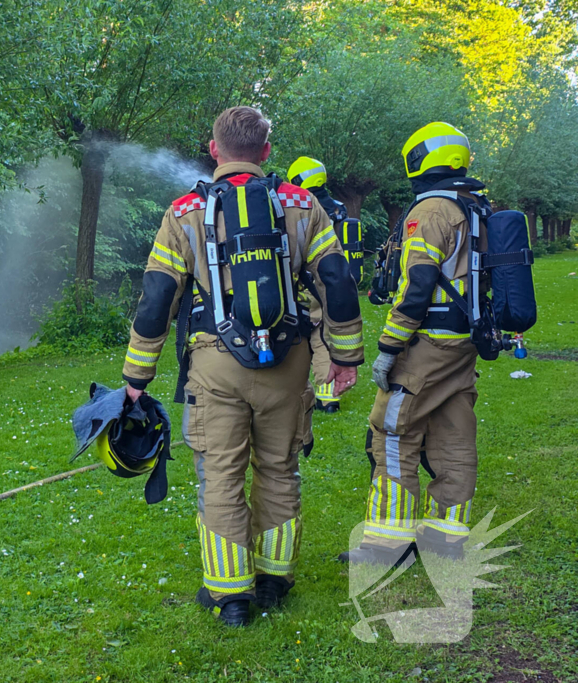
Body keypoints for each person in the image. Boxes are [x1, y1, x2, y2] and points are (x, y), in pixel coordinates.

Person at [122, 106, 364, 626]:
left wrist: (136, 378)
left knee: (220, 474)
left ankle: (232, 596)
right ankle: (275, 579)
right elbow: (337, 282)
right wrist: (344, 356)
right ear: (267, 153)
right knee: (279, 469)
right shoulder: (302, 204)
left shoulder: (184, 210)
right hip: (289, 361)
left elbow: (157, 295)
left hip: (215, 364)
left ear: (214, 150)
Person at [341, 122, 487, 566]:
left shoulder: (432, 210)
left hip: (426, 345)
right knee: (454, 436)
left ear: (420, 158)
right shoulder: (476, 206)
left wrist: (390, 344)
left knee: (391, 433)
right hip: (462, 342)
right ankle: (444, 539)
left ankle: (387, 547)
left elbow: (419, 282)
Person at [287, 157, 359, 416]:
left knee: (315, 336)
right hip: (334, 281)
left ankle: (325, 395)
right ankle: (320, 390)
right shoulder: (338, 208)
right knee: (325, 333)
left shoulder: (302, 207)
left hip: (308, 283)